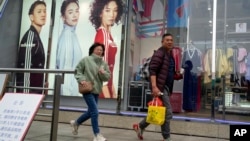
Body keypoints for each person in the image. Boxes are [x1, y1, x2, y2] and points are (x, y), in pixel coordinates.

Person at [133, 33, 177, 141]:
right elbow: (152, 70)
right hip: (160, 87)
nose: (170, 42)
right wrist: (154, 87)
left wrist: (177, 75)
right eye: (167, 40)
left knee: (158, 111)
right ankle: (166, 137)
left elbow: (167, 72)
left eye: (171, 40)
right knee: (167, 112)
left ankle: (140, 126)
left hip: (165, 87)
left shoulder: (169, 54)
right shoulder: (160, 53)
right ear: (162, 42)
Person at [70, 43, 111, 141]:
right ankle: (97, 135)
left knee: (91, 112)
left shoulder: (103, 63)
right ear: (93, 50)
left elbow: (107, 77)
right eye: (97, 49)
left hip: (96, 90)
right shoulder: (86, 60)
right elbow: (78, 70)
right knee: (95, 112)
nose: (99, 51)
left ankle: (76, 123)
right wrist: (81, 79)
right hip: (87, 89)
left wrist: (103, 73)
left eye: (101, 50)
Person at [89, 0, 124, 98]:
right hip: (102, 90)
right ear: (100, 12)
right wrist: (108, 96)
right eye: (108, 10)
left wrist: (113, 92)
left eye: (115, 10)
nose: (112, 15)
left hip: (107, 86)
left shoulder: (107, 35)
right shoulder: (103, 35)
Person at [16, 0, 47, 94]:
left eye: (44, 11)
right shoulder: (30, 37)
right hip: (29, 93)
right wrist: (25, 95)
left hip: (35, 91)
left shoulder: (35, 36)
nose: (43, 14)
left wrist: (43, 83)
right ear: (31, 17)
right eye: (39, 11)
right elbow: (25, 68)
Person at [56, 0, 82, 96]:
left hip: (73, 89)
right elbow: (65, 69)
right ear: (63, 17)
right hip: (68, 92)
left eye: (77, 11)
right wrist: (66, 96)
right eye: (70, 12)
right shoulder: (67, 35)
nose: (75, 15)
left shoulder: (72, 34)